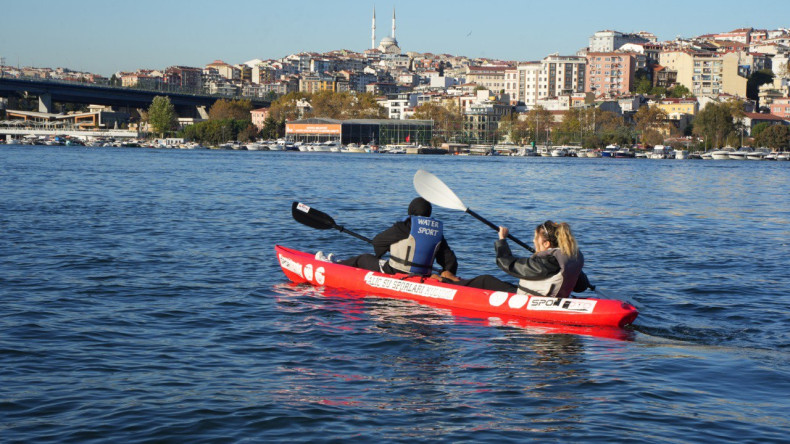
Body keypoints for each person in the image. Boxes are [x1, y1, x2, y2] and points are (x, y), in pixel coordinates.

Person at [327, 197, 459, 280]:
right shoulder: (437, 232)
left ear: (411, 211)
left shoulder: (406, 225)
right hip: (423, 275)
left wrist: (384, 251)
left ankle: (332, 266)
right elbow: (450, 261)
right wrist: (447, 273)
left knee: (363, 258)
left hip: (396, 272)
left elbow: (378, 241)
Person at [458, 220, 590, 297]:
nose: (533, 240)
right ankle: (454, 280)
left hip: (538, 299)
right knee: (506, 285)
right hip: (551, 296)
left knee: (485, 280)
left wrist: (502, 240)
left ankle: (448, 285)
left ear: (546, 244)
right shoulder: (569, 257)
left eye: (535, 238)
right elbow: (581, 287)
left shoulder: (547, 261)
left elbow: (507, 264)